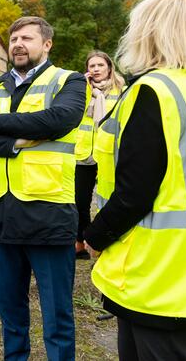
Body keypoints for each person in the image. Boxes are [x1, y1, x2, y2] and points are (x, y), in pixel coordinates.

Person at [84, 0, 186, 361]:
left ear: (149, 32)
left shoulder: (152, 91)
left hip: (150, 264)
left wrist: (95, 236)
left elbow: (135, 191)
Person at [0, 16, 86, 361]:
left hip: (49, 215)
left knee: (57, 316)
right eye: (14, 38)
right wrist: (14, 142)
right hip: (3, 215)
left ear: (46, 44)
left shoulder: (68, 81)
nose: (17, 43)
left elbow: (59, 120)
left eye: (27, 38)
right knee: (11, 313)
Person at [73, 51, 124, 259]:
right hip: (84, 155)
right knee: (79, 202)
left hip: (108, 154)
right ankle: (81, 242)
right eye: (92, 65)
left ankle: (105, 239)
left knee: (109, 200)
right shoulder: (79, 89)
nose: (95, 69)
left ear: (109, 68)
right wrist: (82, 88)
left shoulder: (122, 91)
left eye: (100, 65)